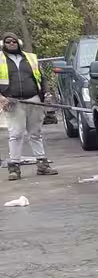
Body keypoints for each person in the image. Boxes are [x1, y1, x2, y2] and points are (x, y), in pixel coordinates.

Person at [0, 31, 57, 180]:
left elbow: (41, 78)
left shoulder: (30, 58)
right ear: (3, 44)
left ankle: (42, 165)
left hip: (34, 100)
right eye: (8, 42)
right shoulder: (0, 59)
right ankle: (14, 168)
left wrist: (46, 93)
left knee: (36, 133)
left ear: (18, 43)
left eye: (14, 41)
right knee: (16, 134)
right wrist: (1, 98)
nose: (11, 43)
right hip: (13, 103)